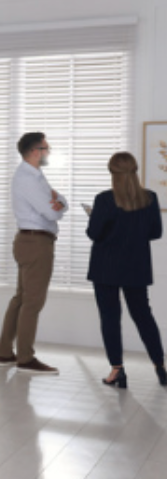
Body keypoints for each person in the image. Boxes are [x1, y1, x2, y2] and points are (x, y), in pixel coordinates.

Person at [86, 152, 166, 389]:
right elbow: (155, 233)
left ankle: (117, 372)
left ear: (112, 172)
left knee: (110, 318)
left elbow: (95, 234)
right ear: (135, 170)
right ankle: (160, 366)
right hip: (136, 266)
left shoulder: (103, 200)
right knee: (143, 316)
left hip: (105, 268)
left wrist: (94, 217)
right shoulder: (150, 198)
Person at [0, 132, 65, 374]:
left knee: (21, 299)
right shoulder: (28, 179)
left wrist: (59, 203)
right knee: (32, 303)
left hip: (30, 241)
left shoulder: (35, 176)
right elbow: (53, 213)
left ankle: (5, 354)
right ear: (35, 151)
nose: (49, 151)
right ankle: (25, 358)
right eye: (46, 147)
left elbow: (60, 201)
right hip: (36, 244)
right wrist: (58, 206)